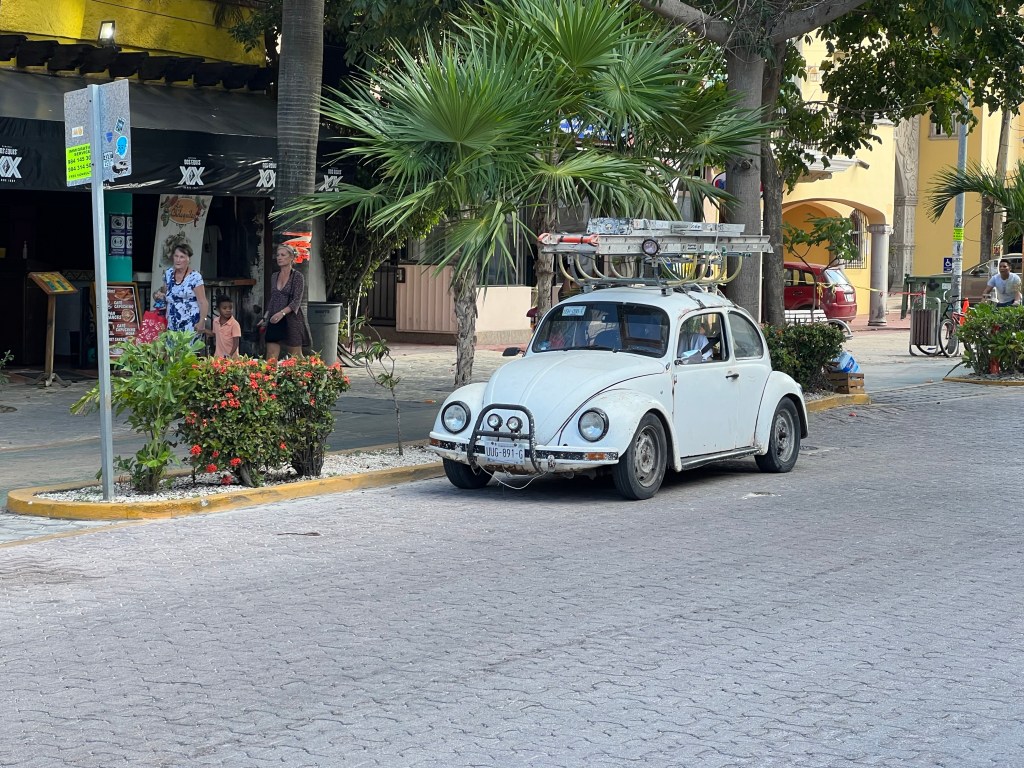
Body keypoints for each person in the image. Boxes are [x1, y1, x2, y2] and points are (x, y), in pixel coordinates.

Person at [259, 243, 310, 359]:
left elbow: (296, 301)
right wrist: (265, 317)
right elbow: (273, 299)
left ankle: (309, 375)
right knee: (271, 355)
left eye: (283, 255)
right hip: (275, 318)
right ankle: (270, 377)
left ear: (292, 257)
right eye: (277, 255)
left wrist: (282, 313)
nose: (279, 257)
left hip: (291, 318)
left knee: (296, 356)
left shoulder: (298, 277)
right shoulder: (274, 276)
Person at [162, 243, 210, 339]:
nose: (178, 260)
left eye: (182, 257)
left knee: (188, 352)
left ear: (188, 259)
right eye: (176, 256)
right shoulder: (168, 273)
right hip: (172, 321)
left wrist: (202, 321)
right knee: (172, 351)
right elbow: (165, 293)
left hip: (190, 322)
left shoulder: (195, 277)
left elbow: (203, 301)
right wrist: (158, 295)